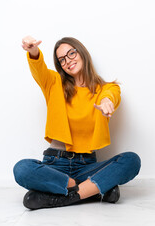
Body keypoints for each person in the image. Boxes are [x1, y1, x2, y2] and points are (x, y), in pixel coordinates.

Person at [13, 36, 141, 210]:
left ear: (81, 53)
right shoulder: (53, 83)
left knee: (131, 160)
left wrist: (106, 102)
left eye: (71, 53)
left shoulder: (106, 89)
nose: (68, 61)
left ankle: (66, 196)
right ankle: (92, 190)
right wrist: (33, 51)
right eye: (62, 60)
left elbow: (110, 96)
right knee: (21, 169)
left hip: (86, 165)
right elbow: (39, 69)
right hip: (55, 164)